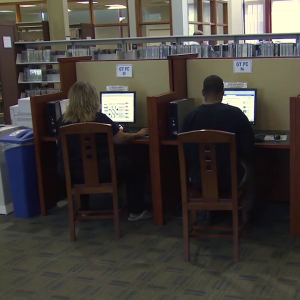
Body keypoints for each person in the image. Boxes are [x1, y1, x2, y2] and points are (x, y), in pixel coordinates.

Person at [56, 81, 152, 221]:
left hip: (70, 173)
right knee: (135, 165)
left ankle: (85, 209)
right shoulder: (100, 119)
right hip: (102, 171)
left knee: (82, 162)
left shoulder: (62, 121)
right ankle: (136, 211)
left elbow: (58, 143)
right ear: (93, 98)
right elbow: (120, 139)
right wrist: (139, 133)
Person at [182, 75, 255, 222]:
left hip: (198, 180)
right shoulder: (236, 114)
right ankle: (247, 213)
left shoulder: (190, 117)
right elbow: (248, 149)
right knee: (251, 165)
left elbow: (186, 152)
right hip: (230, 180)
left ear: (203, 92)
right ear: (223, 92)